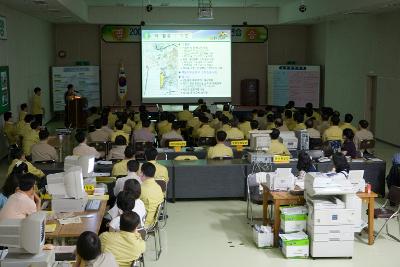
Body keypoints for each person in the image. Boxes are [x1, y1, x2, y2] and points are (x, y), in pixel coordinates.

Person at [139, 163, 164, 228]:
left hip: (144, 223)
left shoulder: (141, 189)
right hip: (153, 221)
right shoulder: (158, 187)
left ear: (142, 173)